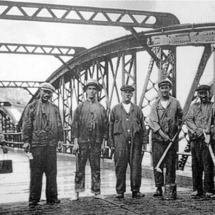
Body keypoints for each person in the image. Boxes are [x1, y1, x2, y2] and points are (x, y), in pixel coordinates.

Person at [22, 82, 64, 207]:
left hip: (51, 144)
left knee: (52, 172)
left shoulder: (55, 108)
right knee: (36, 172)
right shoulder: (31, 107)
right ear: (40, 91)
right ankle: (34, 199)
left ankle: (52, 197)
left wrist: (61, 139)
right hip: (37, 144)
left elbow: (59, 124)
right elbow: (27, 125)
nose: (47, 95)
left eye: (49, 93)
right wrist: (26, 141)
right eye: (45, 92)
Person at [109, 84, 148, 199]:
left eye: (130, 92)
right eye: (125, 92)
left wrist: (144, 142)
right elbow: (110, 127)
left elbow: (143, 127)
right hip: (120, 141)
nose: (127, 94)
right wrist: (111, 144)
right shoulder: (115, 109)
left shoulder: (137, 110)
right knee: (120, 166)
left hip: (135, 141)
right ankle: (120, 191)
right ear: (121, 94)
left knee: (136, 166)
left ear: (132, 94)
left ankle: (136, 190)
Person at [71, 79, 108, 200]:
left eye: (94, 89)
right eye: (89, 89)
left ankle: (96, 191)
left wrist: (103, 143)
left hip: (96, 142)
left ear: (97, 91)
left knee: (96, 168)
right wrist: (75, 142)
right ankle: (77, 191)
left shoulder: (101, 108)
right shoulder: (80, 107)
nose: (92, 92)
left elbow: (105, 127)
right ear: (86, 91)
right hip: (82, 142)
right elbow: (75, 126)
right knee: (79, 168)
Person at [148, 79, 183, 198]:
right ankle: (159, 187)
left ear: (170, 89)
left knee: (170, 164)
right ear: (159, 89)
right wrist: (164, 135)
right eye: (162, 88)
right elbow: (153, 122)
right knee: (157, 163)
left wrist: (179, 123)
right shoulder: (155, 104)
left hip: (171, 140)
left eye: (166, 87)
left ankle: (169, 187)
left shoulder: (175, 102)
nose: (164, 90)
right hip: (158, 139)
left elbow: (180, 115)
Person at [186, 84, 214, 198]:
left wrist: (209, 131)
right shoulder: (194, 107)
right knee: (195, 164)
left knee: (208, 164)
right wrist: (196, 130)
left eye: (205, 93)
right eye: (200, 93)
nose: (203, 95)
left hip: (208, 140)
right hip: (195, 139)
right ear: (198, 94)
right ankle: (197, 189)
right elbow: (188, 120)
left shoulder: (213, 106)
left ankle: (209, 189)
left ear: (209, 93)